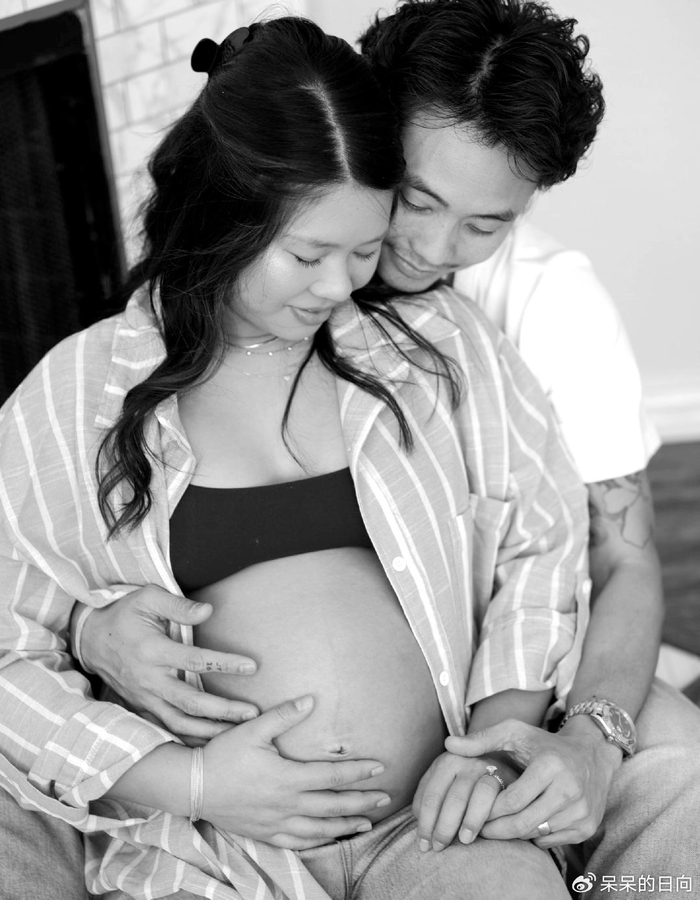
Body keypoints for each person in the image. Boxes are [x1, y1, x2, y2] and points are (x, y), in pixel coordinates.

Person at [73, 1, 700, 897]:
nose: (432, 249)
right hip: (252, 802)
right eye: (415, 199)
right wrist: (89, 630)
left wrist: (593, 737)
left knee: (678, 782)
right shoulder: (247, 291)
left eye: (485, 224)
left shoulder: (546, 305)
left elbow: (624, 560)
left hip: (553, 660)